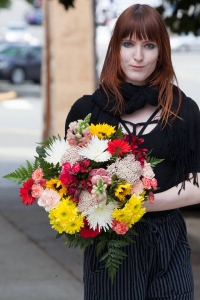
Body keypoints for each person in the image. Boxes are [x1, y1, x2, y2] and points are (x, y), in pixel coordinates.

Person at [65, 4, 200, 300]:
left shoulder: (183, 111)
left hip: (168, 242)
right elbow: (68, 181)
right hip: (111, 244)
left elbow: (197, 185)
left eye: (148, 45)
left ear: (161, 52)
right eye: (128, 44)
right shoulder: (87, 110)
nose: (137, 56)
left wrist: (141, 206)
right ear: (116, 49)